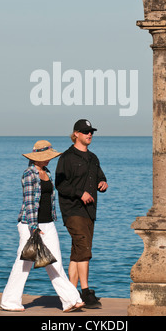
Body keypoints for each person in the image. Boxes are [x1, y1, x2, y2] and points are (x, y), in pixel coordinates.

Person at [0, 140, 84, 313]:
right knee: (23, 264)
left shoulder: (47, 172)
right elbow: (29, 203)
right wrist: (33, 227)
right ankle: (9, 301)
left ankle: (70, 300)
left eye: (49, 157)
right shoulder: (29, 174)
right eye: (45, 157)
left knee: (55, 262)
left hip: (48, 224)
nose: (48, 160)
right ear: (36, 157)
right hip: (30, 225)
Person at [55, 119, 108, 309]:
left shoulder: (93, 158)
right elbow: (60, 185)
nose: (89, 134)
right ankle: (85, 292)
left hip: (90, 211)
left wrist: (103, 183)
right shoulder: (66, 158)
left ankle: (71, 295)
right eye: (85, 132)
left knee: (78, 251)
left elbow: (100, 176)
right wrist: (80, 193)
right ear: (76, 134)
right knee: (84, 250)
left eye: (91, 131)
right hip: (72, 210)